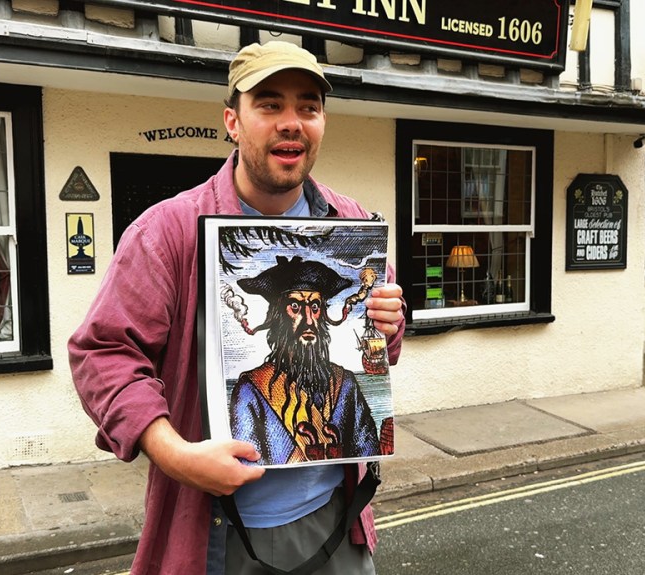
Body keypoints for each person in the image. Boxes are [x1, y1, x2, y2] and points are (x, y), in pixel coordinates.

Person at [68, 40, 405, 575]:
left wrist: (387, 323)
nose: (291, 122)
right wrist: (174, 453)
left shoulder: (353, 225)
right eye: (269, 104)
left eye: (308, 107)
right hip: (218, 538)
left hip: (338, 527)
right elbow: (103, 354)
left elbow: (381, 353)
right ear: (233, 120)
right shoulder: (167, 232)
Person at [230, 255, 381, 465]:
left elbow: (368, 452)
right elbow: (242, 464)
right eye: (295, 307)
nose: (309, 320)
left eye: (315, 307)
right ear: (278, 316)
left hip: (340, 496)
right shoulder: (251, 389)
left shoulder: (345, 384)